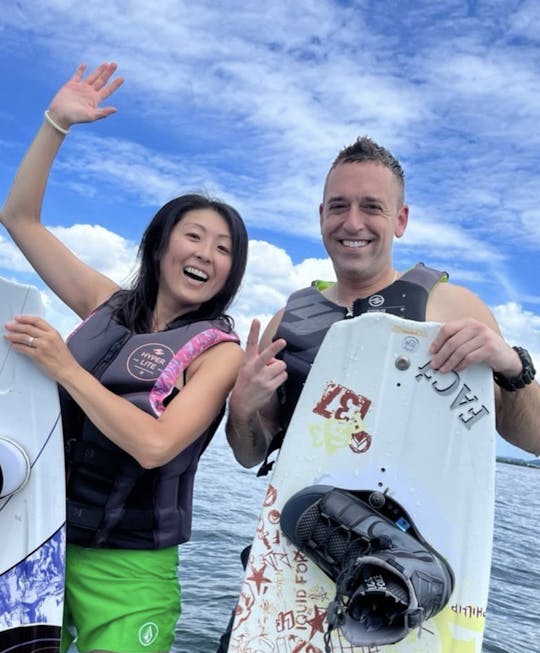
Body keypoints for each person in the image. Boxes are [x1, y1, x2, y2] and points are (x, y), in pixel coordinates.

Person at [0, 62, 248, 653]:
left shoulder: (220, 353)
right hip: (40, 539)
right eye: (194, 236)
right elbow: (19, 218)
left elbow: (157, 445)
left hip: (132, 573)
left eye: (223, 249)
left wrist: (63, 368)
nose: (206, 254)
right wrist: (55, 123)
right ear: (161, 244)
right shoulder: (103, 304)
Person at [226, 135, 540, 471]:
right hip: (297, 519)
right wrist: (242, 409)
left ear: (400, 220)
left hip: (414, 519)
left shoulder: (452, 308)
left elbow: (534, 440)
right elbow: (250, 455)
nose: (353, 222)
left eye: (372, 207)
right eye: (338, 206)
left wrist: (513, 367)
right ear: (322, 216)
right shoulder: (285, 323)